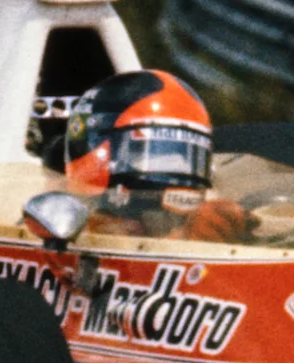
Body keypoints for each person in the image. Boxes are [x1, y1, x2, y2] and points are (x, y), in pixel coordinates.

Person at [56, 71, 249, 243]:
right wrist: (184, 239)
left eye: (188, 159)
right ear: (99, 152)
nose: (177, 177)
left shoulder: (202, 216)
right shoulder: (56, 217)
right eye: (157, 154)